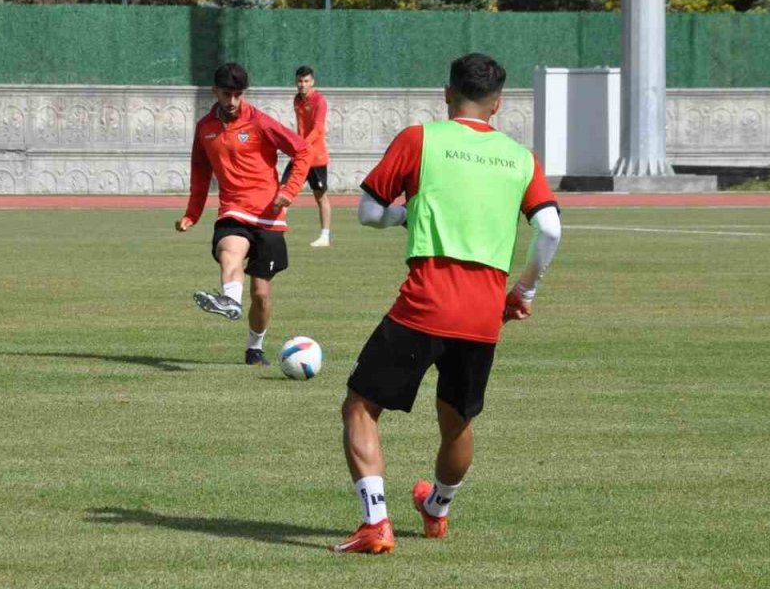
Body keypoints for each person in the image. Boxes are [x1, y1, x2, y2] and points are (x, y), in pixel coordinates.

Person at [331, 53, 563, 554]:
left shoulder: (421, 139)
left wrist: (408, 215)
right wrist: (524, 292)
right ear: (498, 105)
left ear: (446, 93)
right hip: (483, 314)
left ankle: (376, 523)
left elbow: (369, 213)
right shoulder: (521, 158)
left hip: (426, 302)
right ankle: (436, 509)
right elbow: (550, 229)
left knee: (360, 406)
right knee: (457, 421)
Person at [175, 62, 312, 366]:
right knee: (230, 251)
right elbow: (199, 171)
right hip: (233, 211)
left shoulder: (261, 122)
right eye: (227, 94)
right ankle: (231, 301)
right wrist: (192, 214)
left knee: (261, 294)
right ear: (215, 92)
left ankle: (255, 347)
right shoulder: (205, 128)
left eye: (238, 95)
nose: (233, 101)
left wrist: (288, 191)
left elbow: (303, 150)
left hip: (269, 216)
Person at [282, 66, 332, 247]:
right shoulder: (297, 100)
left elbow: (318, 128)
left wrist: (303, 144)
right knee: (283, 189)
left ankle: (325, 236)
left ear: (313, 82)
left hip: (316, 157)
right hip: (300, 155)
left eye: (306, 81)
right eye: (299, 81)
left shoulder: (320, 101)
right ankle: (276, 229)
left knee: (320, 196)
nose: (302, 85)